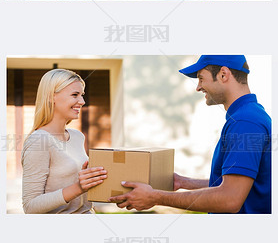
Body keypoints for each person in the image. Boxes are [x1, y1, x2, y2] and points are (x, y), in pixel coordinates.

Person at [109, 55, 271, 213]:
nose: (198, 87)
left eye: (201, 78)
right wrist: (183, 182)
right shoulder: (249, 116)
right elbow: (233, 184)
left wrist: (156, 197)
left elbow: (229, 199)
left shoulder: (244, 122)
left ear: (223, 74)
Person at [21, 69, 107, 213]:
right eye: (75, 95)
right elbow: (30, 206)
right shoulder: (39, 140)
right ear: (51, 97)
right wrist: (79, 187)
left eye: (82, 95)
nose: (82, 101)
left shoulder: (77, 136)